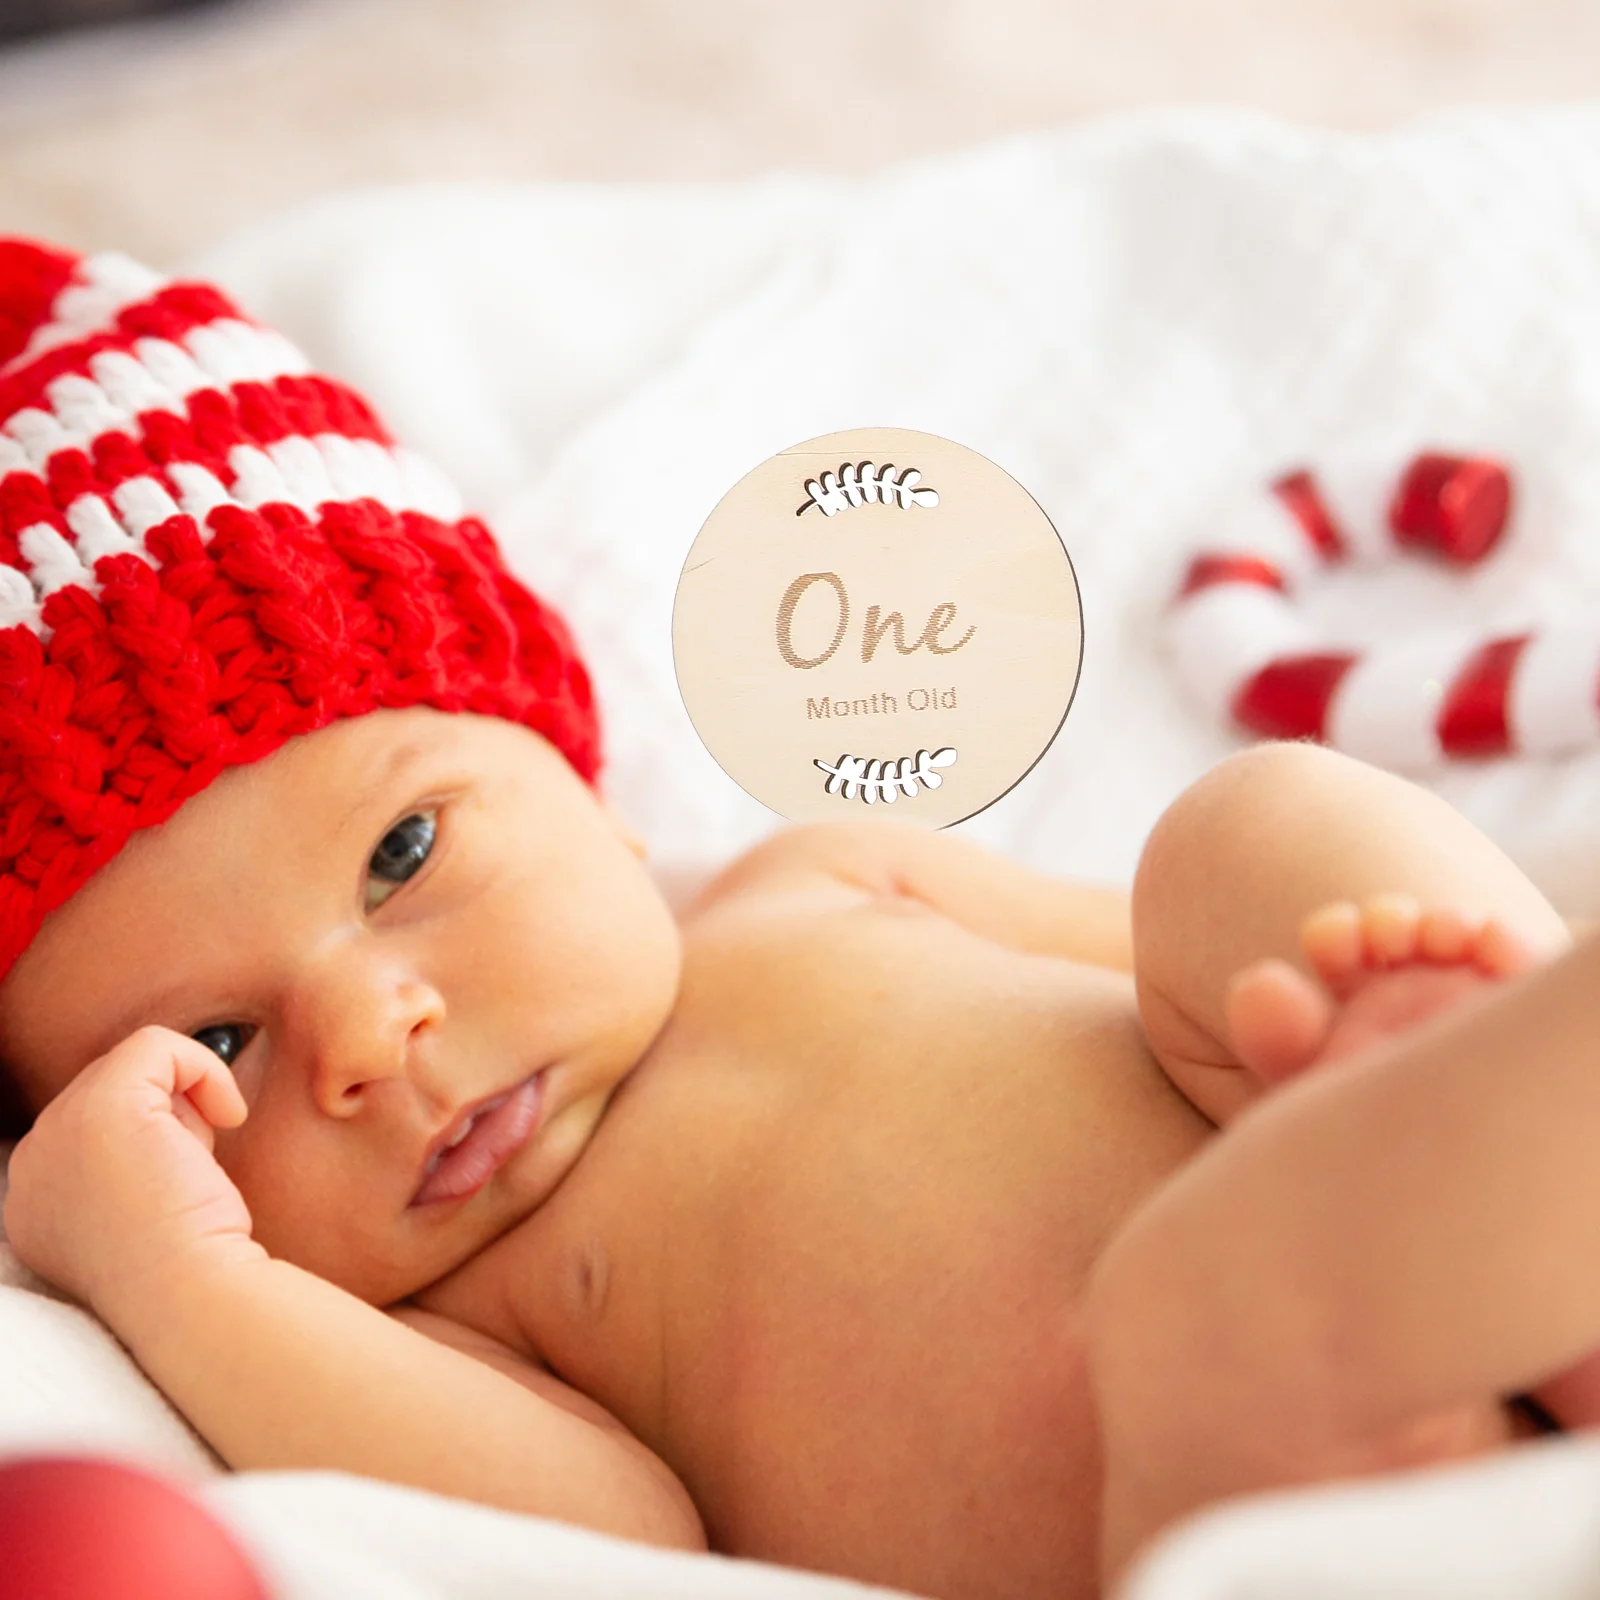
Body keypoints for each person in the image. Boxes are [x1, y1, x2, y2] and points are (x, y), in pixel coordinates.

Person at [0, 236, 1591, 1600]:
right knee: (1200, 1307)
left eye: (403, 851)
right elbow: (610, 1543)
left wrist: (1325, 1022)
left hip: (1395, 1233)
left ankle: (1498, 1117)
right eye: (217, 1047)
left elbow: (1208, 1011)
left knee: (1251, 827)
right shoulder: (452, 1313)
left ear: (580, 782)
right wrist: (184, 1276)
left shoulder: (828, 879)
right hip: (1220, 1504)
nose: (368, 1035)